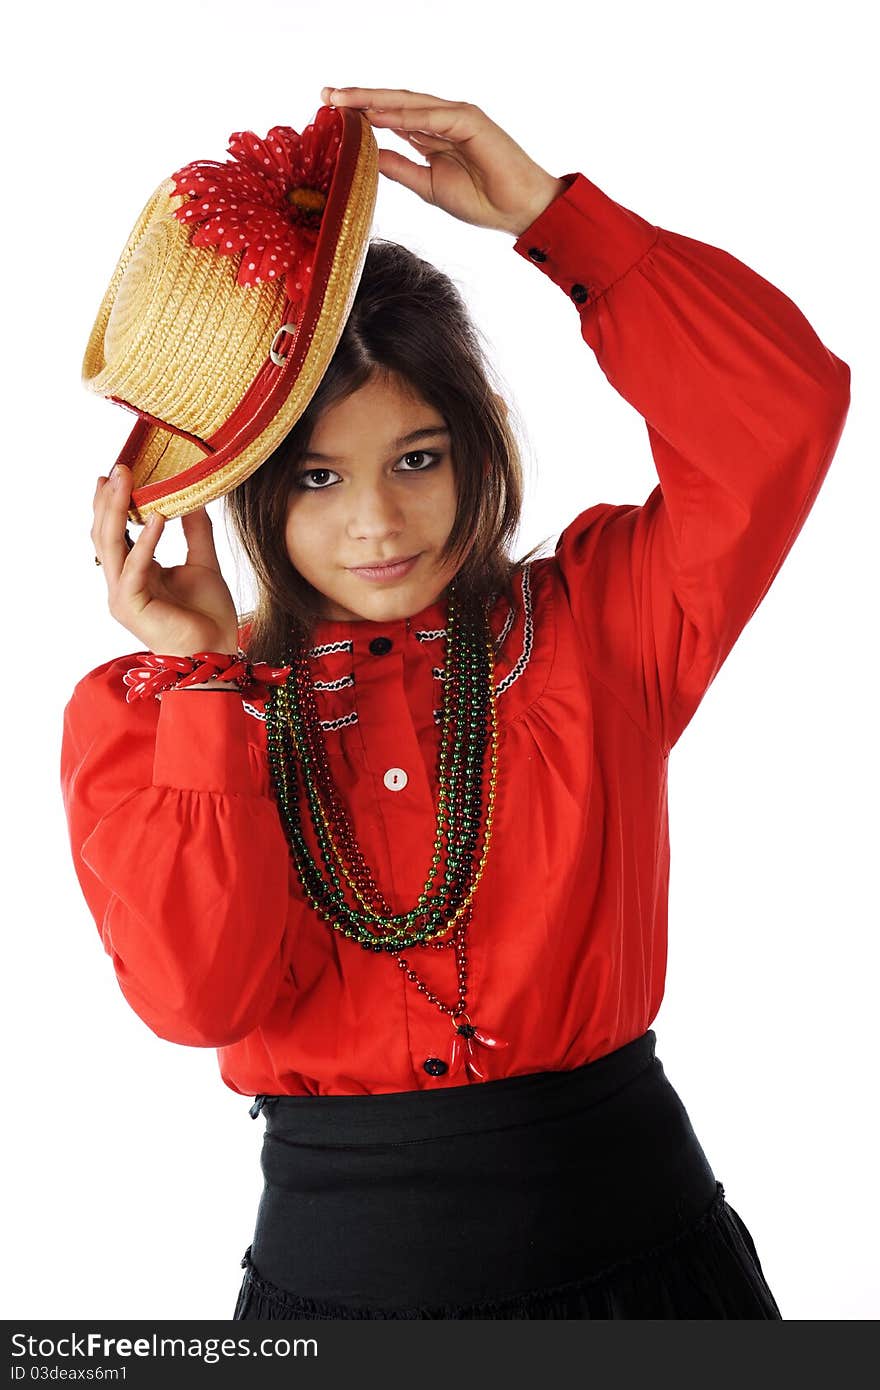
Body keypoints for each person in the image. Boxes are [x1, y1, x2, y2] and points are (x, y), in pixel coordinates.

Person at [60, 87, 850, 1320]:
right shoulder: (152, 715)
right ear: (245, 496)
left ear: (476, 451)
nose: (377, 522)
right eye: (317, 477)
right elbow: (197, 998)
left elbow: (780, 412)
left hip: (648, 1270)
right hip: (341, 1295)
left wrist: (552, 219)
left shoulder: (596, 630)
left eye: (417, 458)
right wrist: (211, 682)